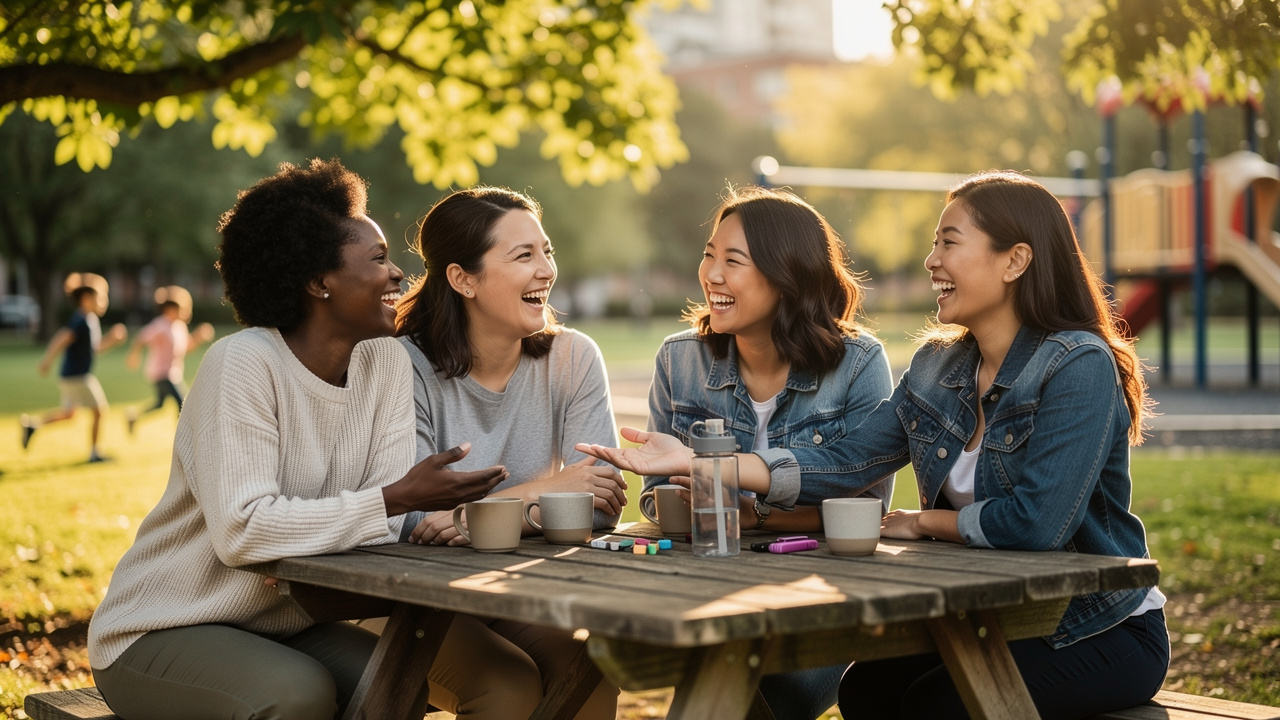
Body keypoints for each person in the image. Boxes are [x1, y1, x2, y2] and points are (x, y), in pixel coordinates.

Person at [578, 171, 1169, 720]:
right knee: (867, 691)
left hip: (1095, 626)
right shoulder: (940, 365)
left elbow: (1037, 524)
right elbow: (846, 462)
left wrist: (924, 522)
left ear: (1015, 260)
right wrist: (708, 463)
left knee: (943, 705)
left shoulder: (1077, 365)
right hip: (991, 617)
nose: (931, 261)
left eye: (949, 243)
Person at [87, 158, 506, 720]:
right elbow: (243, 531)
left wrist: (382, 508)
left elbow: (374, 534)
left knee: (400, 688)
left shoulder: (384, 361)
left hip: (287, 622)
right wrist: (395, 498)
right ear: (317, 282)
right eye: (379, 259)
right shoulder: (242, 364)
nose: (398, 275)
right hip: (164, 624)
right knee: (296, 694)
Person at [370, 186, 622, 719]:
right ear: (463, 279)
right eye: (523, 255)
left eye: (547, 251)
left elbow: (599, 503)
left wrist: (472, 516)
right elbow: (412, 520)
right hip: (406, 595)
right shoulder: (400, 365)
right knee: (506, 688)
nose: (546, 270)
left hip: (509, 588)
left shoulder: (573, 357)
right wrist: (545, 493)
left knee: (588, 678)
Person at [644, 187, 894, 720]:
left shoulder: (858, 363)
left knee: (771, 697)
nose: (711, 273)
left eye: (733, 260)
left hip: (824, 599)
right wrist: (687, 503)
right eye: (710, 254)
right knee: (706, 686)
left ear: (788, 278)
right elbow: (655, 501)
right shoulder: (679, 360)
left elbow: (861, 510)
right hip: (710, 590)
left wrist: (745, 512)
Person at [21, 272, 127, 463]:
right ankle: (95, 453)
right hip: (79, 376)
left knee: (69, 414)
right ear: (86, 299)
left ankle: (32, 426)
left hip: (70, 375)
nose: (104, 302)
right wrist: (47, 360)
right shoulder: (82, 320)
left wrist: (112, 340)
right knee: (100, 411)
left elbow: (93, 349)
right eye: (101, 297)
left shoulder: (89, 320)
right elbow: (62, 337)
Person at [124, 284, 215, 433]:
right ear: (169, 309)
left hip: (173, 373)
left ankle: (134, 417)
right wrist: (134, 355)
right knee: (183, 403)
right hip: (161, 373)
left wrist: (198, 337)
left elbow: (185, 349)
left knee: (160, 404)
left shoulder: (179, 327)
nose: (184, 312)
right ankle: (184, 438)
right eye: (181, 309)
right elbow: (141, 337)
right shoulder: (160, 325)